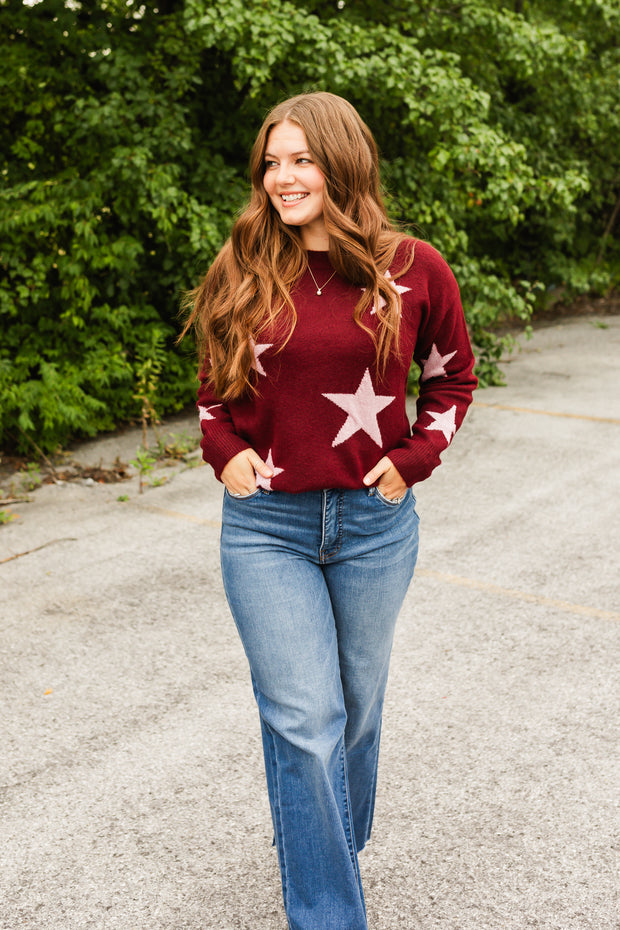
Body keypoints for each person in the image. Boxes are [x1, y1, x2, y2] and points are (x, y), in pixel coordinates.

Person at [182, 91, 477, 930]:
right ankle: (326, 910)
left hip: (373, 528)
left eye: (301, 159)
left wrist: (413, 460)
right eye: (272, 162)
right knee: (304, 717)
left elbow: (453, 377)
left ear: (343, 162)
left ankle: (326, 845)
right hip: (266, 528)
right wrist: (225, 451)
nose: (282, 177)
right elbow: (212, 385)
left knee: (355, 709)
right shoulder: (243, 262)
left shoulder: (414, 267)